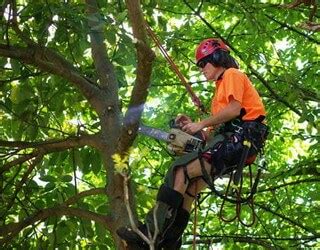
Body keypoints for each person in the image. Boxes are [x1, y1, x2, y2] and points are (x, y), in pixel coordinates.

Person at [117, 38, 268, 249]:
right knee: (191, 188)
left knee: (180, 170)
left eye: (203, 64)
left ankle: (149, 232)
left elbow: (234, 110)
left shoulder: (232, 75)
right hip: (232, 144)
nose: (201, 70)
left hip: (239, 140)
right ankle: (170, 241)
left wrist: (201, 124)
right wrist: (194, 127)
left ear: (217, 58)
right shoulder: (220, 90)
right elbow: (217, 129)